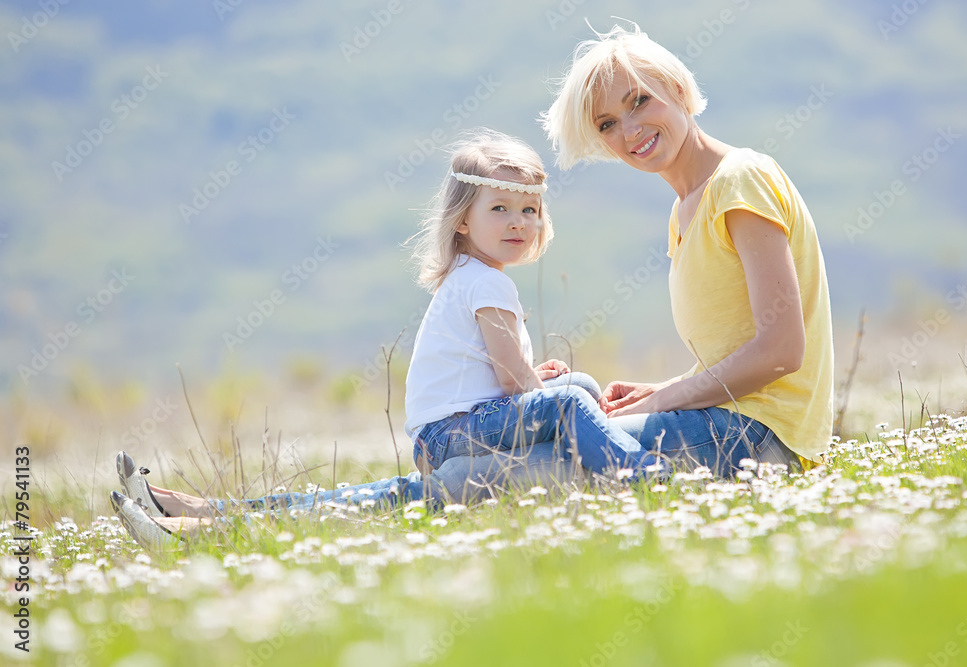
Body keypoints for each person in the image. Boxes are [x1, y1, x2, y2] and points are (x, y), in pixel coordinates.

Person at [110, 129, 662, 551]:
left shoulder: (470, 277)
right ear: (462, 221)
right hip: (456, 433)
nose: (518, 222)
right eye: (500, 208)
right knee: (570, 397)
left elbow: (507, 378)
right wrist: (539, 384)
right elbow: (512, 381)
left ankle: (198, 510)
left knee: (579, 385)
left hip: (446, 430)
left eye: (529, 210)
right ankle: (645, 480)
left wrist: (537, 381)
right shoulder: (488, 282)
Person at [539, 22, 834, 474]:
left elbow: (781, 351)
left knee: (554, 459)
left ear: (676, 89)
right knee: (551, 442)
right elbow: (733, 354)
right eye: (608, 124)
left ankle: (396, 501)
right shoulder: (683, 211)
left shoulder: (740, 178)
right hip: (731, 421)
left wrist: (663, 401)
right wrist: (660, 390)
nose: (630, 130)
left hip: (760, 436)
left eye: (639, 101)